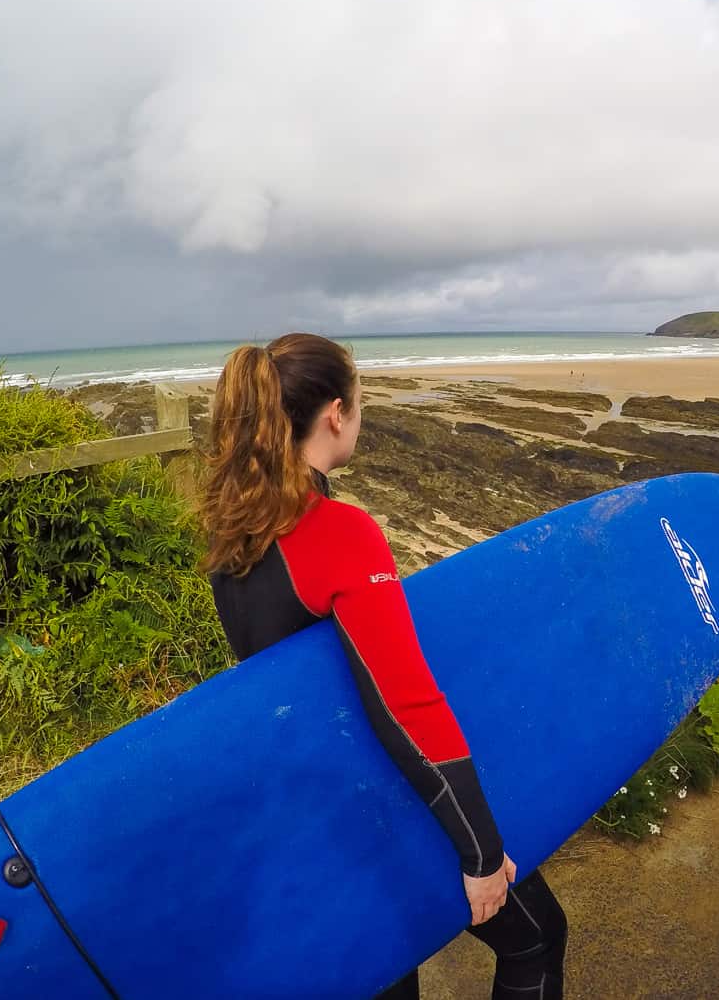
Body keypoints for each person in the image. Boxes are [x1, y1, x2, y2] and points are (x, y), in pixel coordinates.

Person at [199, 333, 567, 1000]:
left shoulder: (234, 534)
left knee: (388, 976)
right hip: (383, 801)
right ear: (336, 413)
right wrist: (482, 856)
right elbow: (406, 705)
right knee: (536, 935)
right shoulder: (337, 531)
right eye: (361, 403)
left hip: (315, 809)